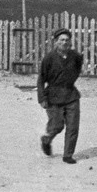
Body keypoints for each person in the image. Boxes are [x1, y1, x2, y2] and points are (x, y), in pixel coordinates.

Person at [37, 28, 83, 164]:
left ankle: (68, 155)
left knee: (73, 126)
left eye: (67, 40)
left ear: (70, 42)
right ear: (56, 42)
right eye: (61, 40)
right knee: (57, 126)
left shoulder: (75, 56)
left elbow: (77, 70)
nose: (64, 42)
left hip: (71, 96)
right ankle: (47, 139)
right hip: (53, 96)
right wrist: (42, 98)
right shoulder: (49, 58)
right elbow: (41, 79)